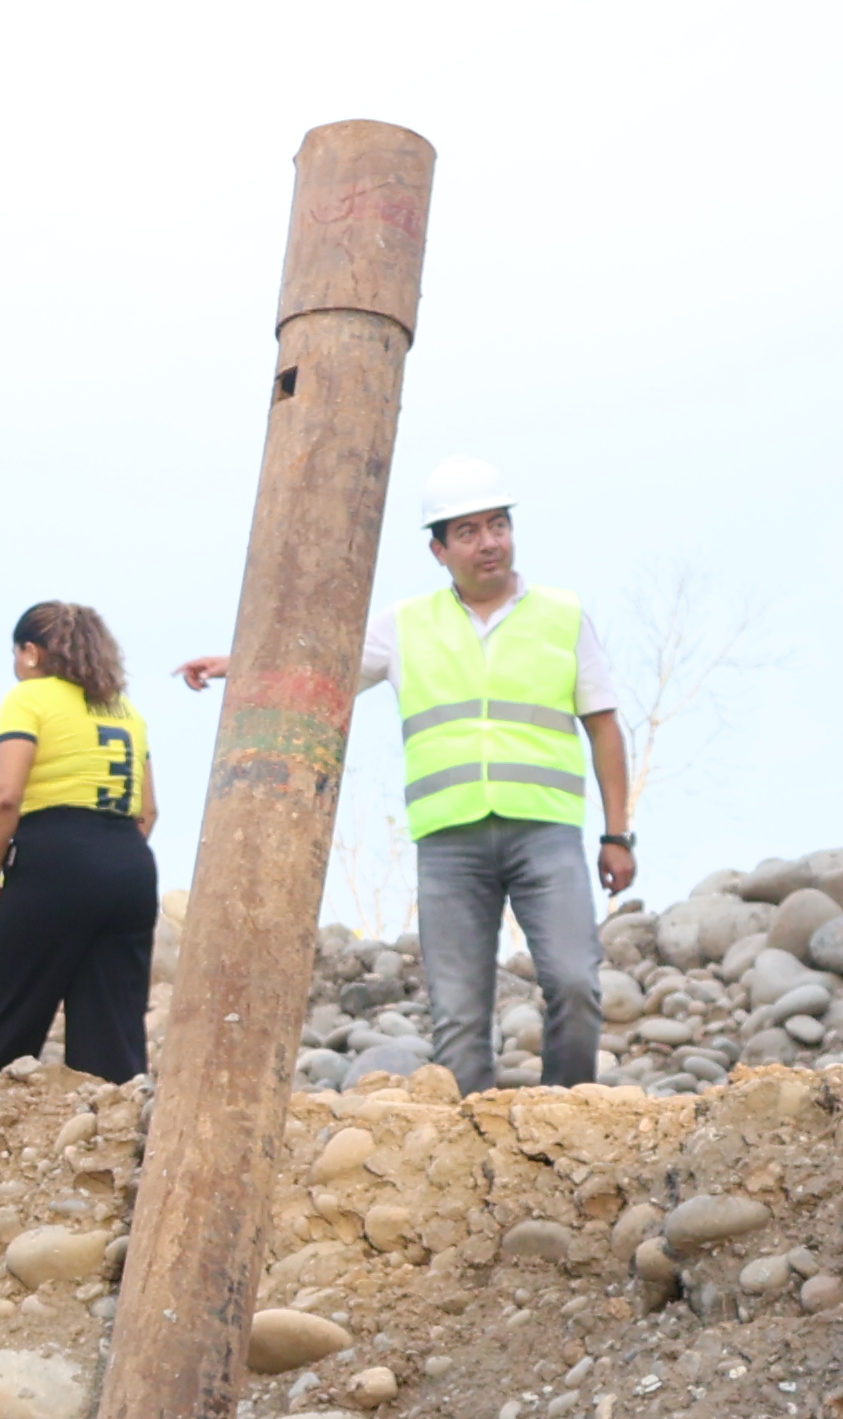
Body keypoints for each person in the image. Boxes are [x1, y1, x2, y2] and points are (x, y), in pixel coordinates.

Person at [174, 457, 631, 1090]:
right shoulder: (404, 627)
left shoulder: (562, 615)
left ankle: (568, 1113)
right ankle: (473, 1155)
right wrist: (239, 664)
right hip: (449, 844)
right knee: (459, 1019)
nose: (488, 542)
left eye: (497, 524)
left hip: (545, 834)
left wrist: (618, 834)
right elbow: (318, 672)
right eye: (467, 531)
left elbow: (604, 727)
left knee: (576, 983)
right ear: (439, 550)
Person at [0, 602, 162, 1081]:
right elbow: (149, 810)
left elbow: (6, 797)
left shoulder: (28, 699)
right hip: (131, 865)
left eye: (16, 655)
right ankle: (111, 1140)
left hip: (54, 858)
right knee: (113, 1040)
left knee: (6, 1026)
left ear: (31, 653)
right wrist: (110, 858)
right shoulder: (126, 710)